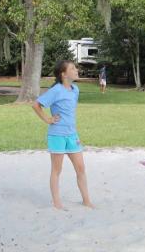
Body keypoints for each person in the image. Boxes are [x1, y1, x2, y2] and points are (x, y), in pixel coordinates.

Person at [32, 60, 94, 210]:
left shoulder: (75, 90)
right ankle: (57, 203)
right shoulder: (56, 90)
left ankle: (86, 201)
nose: (76, 70)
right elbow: (36, 105)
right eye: (73, 68)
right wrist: (48, 119)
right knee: (56, 170)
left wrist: (74, 131)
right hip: (57, 135)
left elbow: (69, 112)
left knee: (81, 168)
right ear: (64, 74)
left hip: (72, 135)